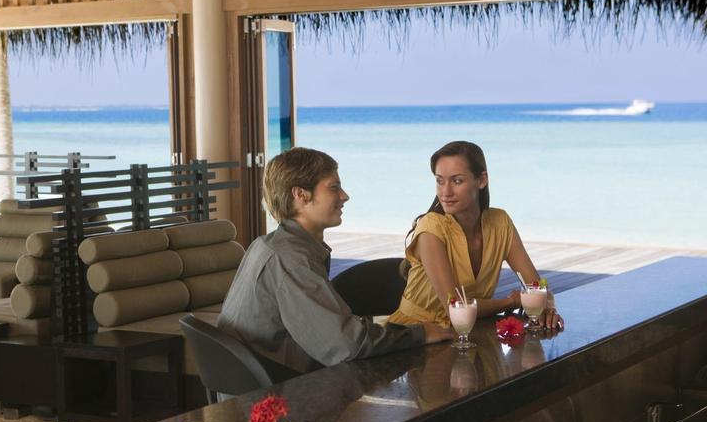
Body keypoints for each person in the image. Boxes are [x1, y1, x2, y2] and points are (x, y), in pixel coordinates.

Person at [219, 147, 454, 374]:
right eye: (334, 187)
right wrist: (420, 334)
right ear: (300, 195)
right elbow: (345, 346)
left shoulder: (270, 244)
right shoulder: (290, 259)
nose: (344, 196)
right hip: (277, 390)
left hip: (264, 376)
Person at [388, 141, 563, 331]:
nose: (445, 192)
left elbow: (536, 285)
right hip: (411, 334)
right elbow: (455, 308)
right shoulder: (431, 228)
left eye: (457, 181)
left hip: (469, 332)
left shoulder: (500, 223)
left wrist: (549, 308)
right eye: (440, 181)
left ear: (481, 180)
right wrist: (510, 302)